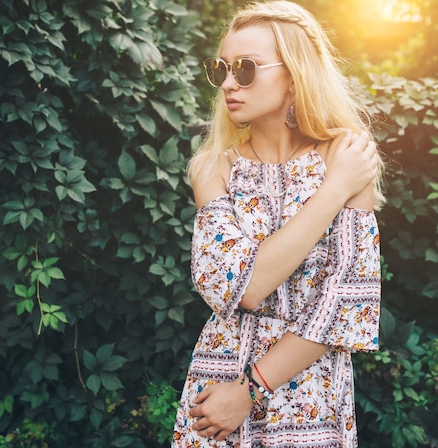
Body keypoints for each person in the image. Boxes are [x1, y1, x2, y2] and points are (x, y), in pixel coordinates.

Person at [172, 1, 384, 446]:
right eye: (221, 69)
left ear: (293, 74)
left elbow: (348, 303)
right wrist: (332, 192)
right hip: (217, 390)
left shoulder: (346, 157)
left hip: (310, 396)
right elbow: (239, 288)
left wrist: (249, 391)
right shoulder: (212, 168)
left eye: (246, 69)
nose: (229, 83)